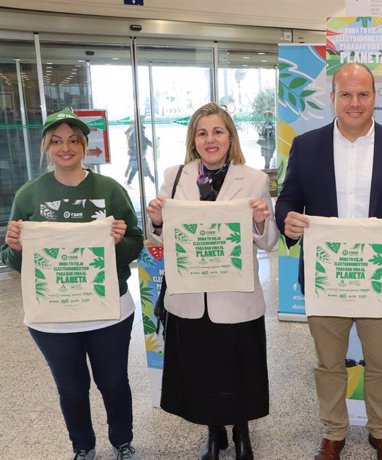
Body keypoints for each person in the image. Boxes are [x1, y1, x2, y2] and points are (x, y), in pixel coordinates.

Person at [275, 62, 382, 460]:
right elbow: (288, 200)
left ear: (375, 97)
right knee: (329, 364)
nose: (355, 103)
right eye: (346, 94)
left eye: (363, 94)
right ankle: (334, 431)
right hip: (327, 279)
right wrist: (287, 220)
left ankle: (381, 431)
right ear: (332, 99)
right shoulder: (306, 146)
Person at [0, 108, 144, 460]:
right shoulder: (30, 195)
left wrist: (118, 241)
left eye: (74, 140)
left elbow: (135, 244)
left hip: (109, 310)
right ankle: (83, 447)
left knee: (113, 383)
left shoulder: (109, 189)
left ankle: (122, 442)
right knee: (71, 389)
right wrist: (16, 246)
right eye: (57, 141)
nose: (66, 148)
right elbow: (15, 260)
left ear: (85, 145)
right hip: (52, 315)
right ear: (47, 146)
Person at [145, 102, 278, 460]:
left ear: (230, 136)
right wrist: (156, 221)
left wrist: (262, 220)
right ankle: (214, 432)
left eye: (217, 131)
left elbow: (269, 242)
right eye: (202, 133)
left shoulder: (254, 179)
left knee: (240, 369)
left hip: (235, 296)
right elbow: (161, 237)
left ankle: (242, 433)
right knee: (203, 371)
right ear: (194, 139)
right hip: (190, 296)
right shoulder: (175, 175)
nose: (210, 139)